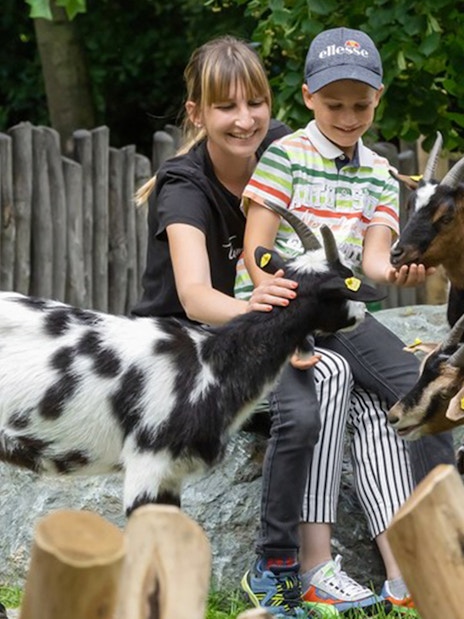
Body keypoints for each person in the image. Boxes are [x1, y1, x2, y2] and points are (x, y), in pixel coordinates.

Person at [237, 25, 456, 616]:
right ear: (308, 97)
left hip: (344, 310)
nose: (348, 115)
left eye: (360, 104)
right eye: (334, 104)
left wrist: (403, 274)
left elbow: (379, 261)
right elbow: (255, 250)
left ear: (377, 98)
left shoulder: (380, 171)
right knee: (328, 380)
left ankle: (431, 554)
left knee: (425, 389)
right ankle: (306, 563)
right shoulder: (284, 155)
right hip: (280, 309)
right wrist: (275, 308)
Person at [132, 35, 344, 619]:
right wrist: (278, 320)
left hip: (261, 326)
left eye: (257, 102)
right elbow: (197, 297)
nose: (246, 119)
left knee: (377, 378)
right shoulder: (184, 187)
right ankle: (273, 571)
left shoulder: (282, 149)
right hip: (190, 346)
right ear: (197, 113)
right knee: (304, 408)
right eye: (226, 106)